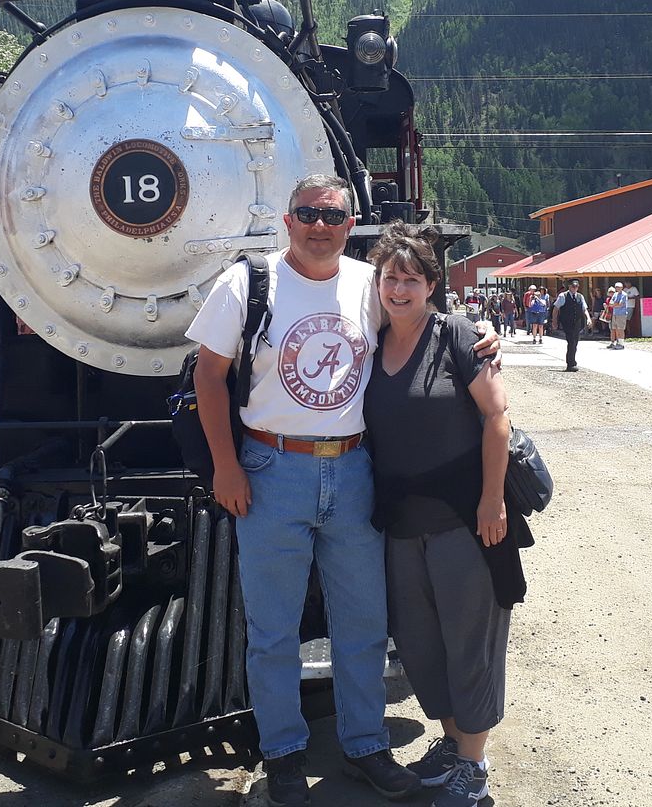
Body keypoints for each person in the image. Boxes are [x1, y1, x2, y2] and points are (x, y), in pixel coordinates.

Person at [185, 175, 500, 806]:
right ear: (288, 220)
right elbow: (209, 377)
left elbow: (421, 321)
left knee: (364, 621)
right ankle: (283, 753)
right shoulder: (247, 284)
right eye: (308, 214)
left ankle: (365, 744)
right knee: (272, 627)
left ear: (350, 224)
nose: (319, 226)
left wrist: (481, 330)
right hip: (271, 467)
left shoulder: (366, 283)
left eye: (332, 216)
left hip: (354, 470)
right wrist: (225, 466)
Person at [363, 224, 519, 807]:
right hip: (401, 526)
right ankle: (454, 743)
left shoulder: (457, 335)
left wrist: (492, 500)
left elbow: (497, 418)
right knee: (421, 646)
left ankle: (473, 767)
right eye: (390, 277)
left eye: (412, 279)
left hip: (464, 521)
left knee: (470, 644)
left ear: (431, 285)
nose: (399, 289)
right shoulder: (371, 342)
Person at [552, 279, 591, 372]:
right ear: (569, 287)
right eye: (573, 286)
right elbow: (556, 309)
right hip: (567, 322)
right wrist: (554, 321)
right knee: (571, 341)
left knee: (575, 342)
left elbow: (584, 309)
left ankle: (572, 361)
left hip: (577, 323)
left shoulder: (580, 296)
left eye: (577, 286)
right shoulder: (563, 296)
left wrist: (588, 318)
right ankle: (571, 364)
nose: (575, 288)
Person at [608, 282, 629, 350]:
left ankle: (621, 344)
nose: (617, 288)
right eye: (616, 287)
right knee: (616, 328)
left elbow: (621, 304)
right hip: (615, 314)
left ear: (622, 287)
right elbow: (610, 303)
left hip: (621, 314)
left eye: (619, 287)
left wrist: (614, 304)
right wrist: (615, 304)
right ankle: (618, 342)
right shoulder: (615, 294)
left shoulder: (624, 295)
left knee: (621, 329)